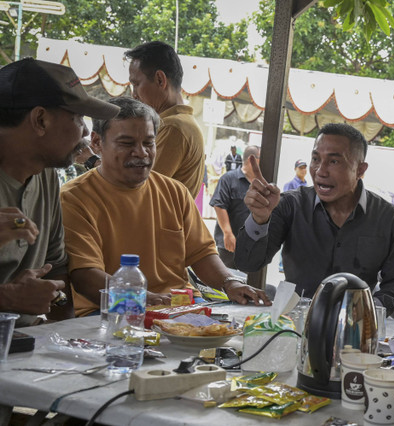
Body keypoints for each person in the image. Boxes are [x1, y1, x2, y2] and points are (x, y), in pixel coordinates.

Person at [60, 97, 270, 317]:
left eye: (149, 143)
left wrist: (230, 283)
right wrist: (142, 299)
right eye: (127, 143)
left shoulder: (175, 192)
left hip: (181, 308)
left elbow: (201, 254)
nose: (141, 152)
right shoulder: (74, 198)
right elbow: (85, 276)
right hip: (110, 311)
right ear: (96, 142)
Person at [234, 123, 394, 314]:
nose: (320, 171)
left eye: (334, 161)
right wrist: (259, 219)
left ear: (360, 170)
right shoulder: (290, 205)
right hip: (293, 325)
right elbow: (248, 263)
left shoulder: (387, 217)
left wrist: (366, 313)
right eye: (316, 159)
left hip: (353, 331)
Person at [0, 58, 119, 325]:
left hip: (23, 348)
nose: (87, 131)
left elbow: (56, 267)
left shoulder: (45, 176)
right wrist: (5, 298)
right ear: (40, 120)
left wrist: (64, 341)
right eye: (78, 117)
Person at [125, 41, 205, 199]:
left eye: (136, 84)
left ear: (160, 80)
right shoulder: (183, 123)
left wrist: (92, 161)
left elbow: (139, 188)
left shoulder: (173, 127)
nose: (134, 94)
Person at [209, 145, 260, 269]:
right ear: (251, 160)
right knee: (228, 280)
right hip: (230, 246)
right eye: (261, 159)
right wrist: (228, 233)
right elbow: (219, 205)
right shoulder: (229, 179)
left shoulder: (261, 184)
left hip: (251, 247)